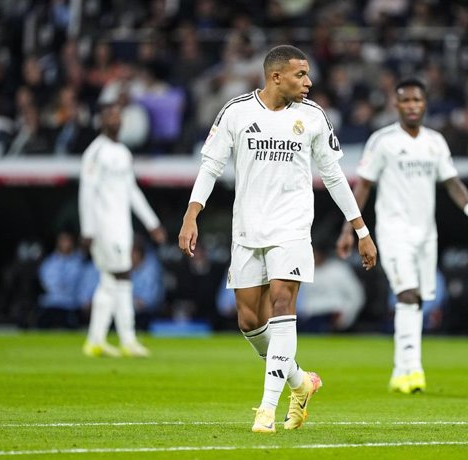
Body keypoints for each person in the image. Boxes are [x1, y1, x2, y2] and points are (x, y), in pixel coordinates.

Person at [178, 45, 377, 433]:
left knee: (283, 303)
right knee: (250, 320)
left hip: (292, 228)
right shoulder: (236, 112)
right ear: (275, 77)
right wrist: (191, 214)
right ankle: (301, 383)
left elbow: (335, 177)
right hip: (248, 230)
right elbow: (211, 165)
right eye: (301, 75)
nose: (309, 81)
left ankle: (267, 410)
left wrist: (361, 230)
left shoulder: (314, 117)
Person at [336, 78, 468, 394]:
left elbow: (452, 181)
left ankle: (400, 371)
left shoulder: (435, 142)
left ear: (425, 103)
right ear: (396, 105)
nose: (412, 106)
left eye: (417, 100)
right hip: (393, 231)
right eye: (405, 101)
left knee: (417, 299)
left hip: (425, 234)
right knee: (405, 293)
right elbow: (363, 185)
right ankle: (414, 370)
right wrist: (348, 229)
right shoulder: (383, 141)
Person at [79, 103, 166, 358]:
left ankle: (95, 340)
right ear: (101, 121)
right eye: (110, 116)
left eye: (118, 116)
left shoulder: (123, 152)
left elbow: (132, 191)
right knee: (123, 276)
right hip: (104, 227)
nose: (115, 120)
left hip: (122, 225)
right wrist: (88, 230)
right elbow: (87, 192)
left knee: (108, 282)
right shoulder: (95, 152)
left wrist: (152, 223)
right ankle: (128, 338)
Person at [36, 231, 84, 329]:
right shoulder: (49, 262)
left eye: (68, 241)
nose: (66, 244)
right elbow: (46, 283)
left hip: (71, 305)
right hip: (51, 304)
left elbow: (82, 284)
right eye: (63, 241)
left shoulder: (80, 262)